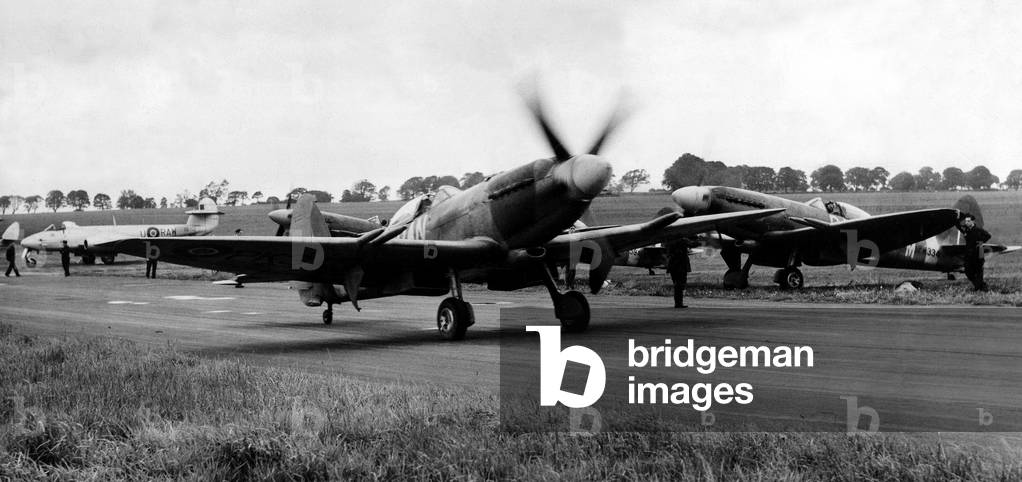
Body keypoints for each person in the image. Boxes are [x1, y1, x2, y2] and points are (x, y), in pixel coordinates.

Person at [958, 214, 991, 291]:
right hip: (969, 254)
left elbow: (988, 235)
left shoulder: (978, 230)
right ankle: (981, 286)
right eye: (966, 221)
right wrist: (956, 218)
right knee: (967, 271)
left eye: (968, 221)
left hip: (978, 253)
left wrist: (980, 242)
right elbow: (959, 227)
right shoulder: (966, 230)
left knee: (978, 271)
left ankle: (979, 288)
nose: (967, 223)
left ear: (973, 221)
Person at [665, 237, 692, 308]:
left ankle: (678, 303)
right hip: (680, 266)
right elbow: (692, 244)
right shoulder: (682, 240)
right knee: (680, 285)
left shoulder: (670, 240)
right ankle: (678, 303)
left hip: (674, 266)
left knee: (677, 285)